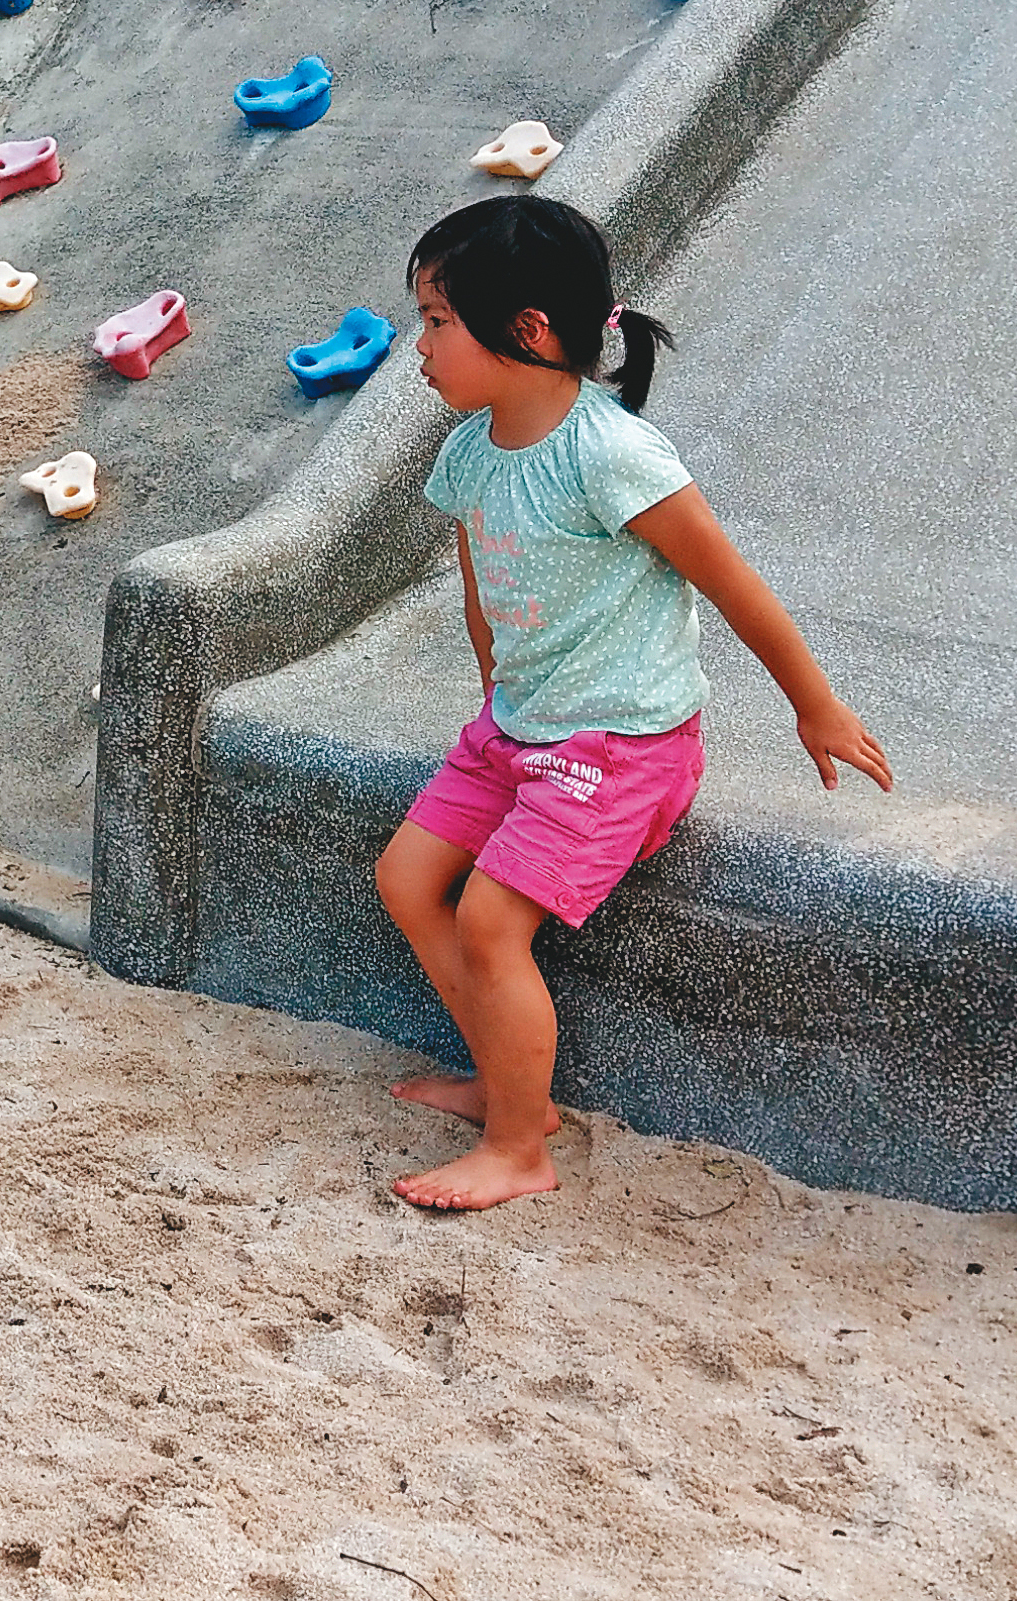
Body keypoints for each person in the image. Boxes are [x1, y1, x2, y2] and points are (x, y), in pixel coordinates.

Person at [373, 196, 890, 1211]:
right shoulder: (469, 455)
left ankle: (521, 1145)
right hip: (517, 732)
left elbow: (732, 583)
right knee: (405, 877)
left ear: (525, 331)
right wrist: (495, 720)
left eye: (435, 322)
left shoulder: (609, 454)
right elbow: (485, 604)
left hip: (619, 747)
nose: (418, 348)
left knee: (488, 920)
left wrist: (814, 706)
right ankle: (501, 1076)